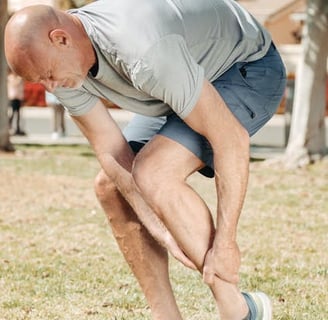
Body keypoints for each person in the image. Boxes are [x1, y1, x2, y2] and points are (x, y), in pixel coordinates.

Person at [4, 1, 287, 319]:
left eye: (48, 76)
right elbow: (110, 150)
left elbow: (230, 140)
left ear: (61, 38)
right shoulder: (60, 64)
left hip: (245, 68)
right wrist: (159, 228)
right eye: (41, 81)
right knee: (112, 186)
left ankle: (241, 311)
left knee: (155, 173)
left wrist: (226, 243)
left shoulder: (141, 48)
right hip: (178, 80)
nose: (50, 87)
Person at [7, 69, 26, 136]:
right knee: (12, 113)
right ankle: (9, 127)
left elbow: (21, 88)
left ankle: (18, 128)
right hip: (12, 98)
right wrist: (19, 79)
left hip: (19, 98)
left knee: (18, 114)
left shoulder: (19, 78)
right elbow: (15, 84)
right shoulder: (10, 77)